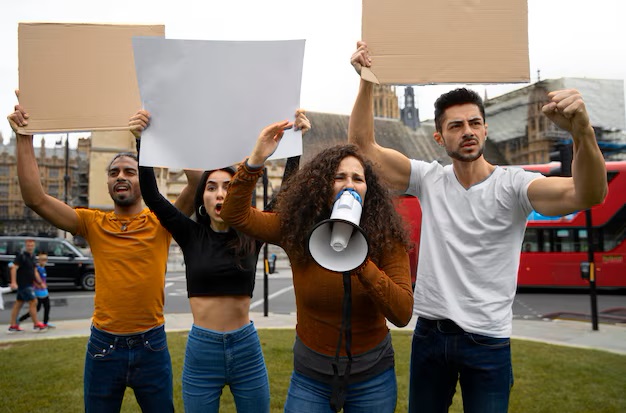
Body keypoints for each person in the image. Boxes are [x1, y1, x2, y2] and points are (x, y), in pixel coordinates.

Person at [348, 41, 608, 412]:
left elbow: (589, 194)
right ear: (439, 137)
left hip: (488, 342)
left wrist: (583, 132)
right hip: (430, 335)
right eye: (456, 125)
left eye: (474, 123)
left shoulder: (515, 185)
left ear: (485, 130)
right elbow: (362, 147)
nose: (467, 131)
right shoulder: (429, 179)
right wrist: (367, 80)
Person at [8, 102, 200, 412]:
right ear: (107, 182)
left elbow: (196, 181)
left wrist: (152, 139)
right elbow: (35, 199)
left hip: (151, 346)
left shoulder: (162, 221)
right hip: (103, 348)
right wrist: (23, 137)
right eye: (114, 172)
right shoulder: (92, 223)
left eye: (130, 171)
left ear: (143, 177)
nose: (120, 176)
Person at [220, 119, 414, 412]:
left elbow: (402, 313)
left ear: (368, 189)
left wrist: (362, 263)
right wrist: (256, 160)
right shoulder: (297, 228)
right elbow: (236, 215)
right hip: (311, 378)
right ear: (323, 186)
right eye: (339, 177)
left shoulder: (386, 236)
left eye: (357, 179)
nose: (349, 185)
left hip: (372, 377)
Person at [131, 109, 309, 412]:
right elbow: (152, 195)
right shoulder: (189, 234)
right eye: (211, 187)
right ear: (203, 197)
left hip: (246, 348)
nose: (219, 194)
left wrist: (294, 145)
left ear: (240, 193)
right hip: (203, 350)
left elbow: (285, 197)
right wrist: (141, 144)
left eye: (228, 186)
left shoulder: (252, 232)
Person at [7, 238, 46, 333]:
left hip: (29, 284)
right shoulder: (21, 256)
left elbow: (33, 271)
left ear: (34, 246)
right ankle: (36, 324)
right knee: (33, 301)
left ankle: (13, 326)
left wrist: (39, 283)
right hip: (23, 284)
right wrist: (13, 282)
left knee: (18, 304)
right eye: (28, 245)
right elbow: (13, 268)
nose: (30, 247)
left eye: (32, 245)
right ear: (25, 246)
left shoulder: (32, 257)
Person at [18, 252, 55, 328]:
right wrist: (39, 285)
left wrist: (44, 285)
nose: (44, 261)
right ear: (39, 260)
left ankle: (45, 322)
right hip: (38, 292)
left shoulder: (43, 268)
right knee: (36, 309)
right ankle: (20, 319)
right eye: (42, 259)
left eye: (45, 259)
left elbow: (43, 279)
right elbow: (33, 279)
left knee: (47, 307)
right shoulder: (37, 269)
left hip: (44, 291)